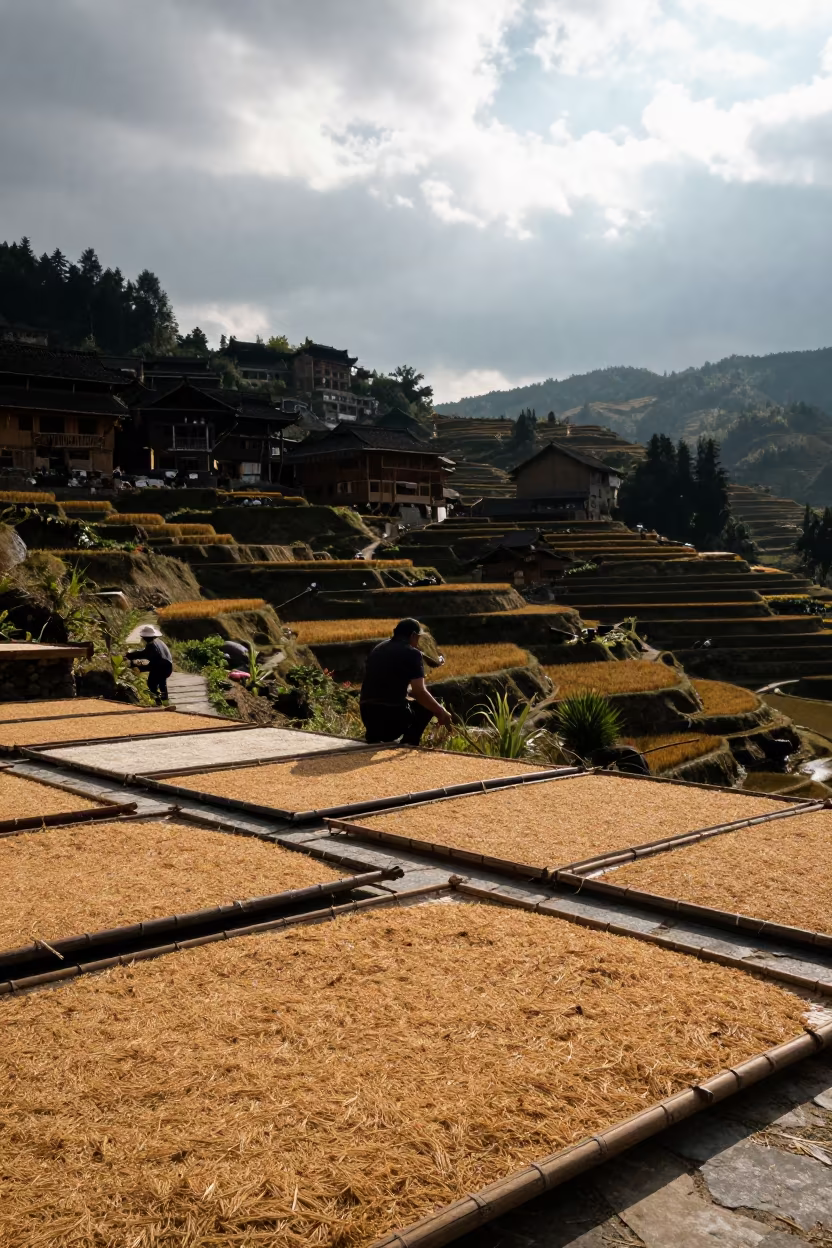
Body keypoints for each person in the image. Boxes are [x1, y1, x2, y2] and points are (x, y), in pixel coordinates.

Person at [359, 618, 452, 746]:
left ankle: (374, 736)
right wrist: (441, 712)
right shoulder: (412, 653)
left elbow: (385, 684)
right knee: (427, 706)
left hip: (368, 718)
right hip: (391, 721)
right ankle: (409, 743)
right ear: (413, 635)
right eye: (418, 638)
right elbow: (419, 692)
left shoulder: (379, 648)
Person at [126, 624, 174, 705]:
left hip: (160, 667)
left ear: (146, 637)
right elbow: (145, 652)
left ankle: (158, 701)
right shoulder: (158, 642)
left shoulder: (152, 646)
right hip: (168, 666)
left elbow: (145, 656)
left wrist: (130, 659)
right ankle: (165, 702)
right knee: (162, 683)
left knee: (151, 683)